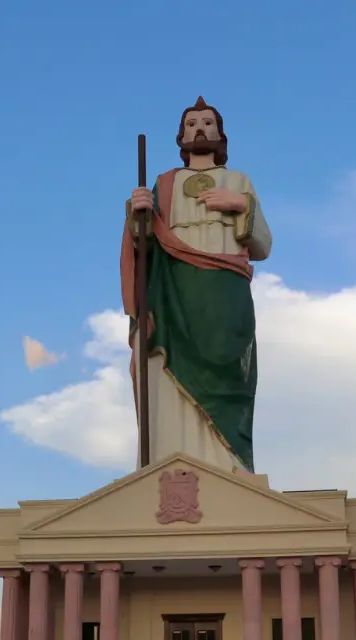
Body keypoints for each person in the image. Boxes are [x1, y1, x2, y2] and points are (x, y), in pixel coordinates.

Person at [121, 96, 272, 473]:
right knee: (163, 365)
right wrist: (139, 213)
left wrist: (241, 204)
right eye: (191, 124)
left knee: (230, 372)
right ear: (181, 136)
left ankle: (229, 465)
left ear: (220, 133)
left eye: (207, 123)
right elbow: (145, 244)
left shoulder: (238, 181)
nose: (199, 129)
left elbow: (263, 246)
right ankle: (168, 458)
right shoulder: (164, 183)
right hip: (173, 290)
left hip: (225, 289)